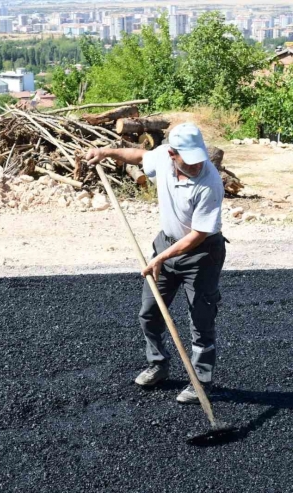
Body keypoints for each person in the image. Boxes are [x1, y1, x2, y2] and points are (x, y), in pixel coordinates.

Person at [86, 123, 226, 404]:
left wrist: (160, 258)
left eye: (199, 160)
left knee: (201, 320)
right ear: (172, 154)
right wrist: (105, 152)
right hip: (166, 244)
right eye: (190, 160)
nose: (197, 166)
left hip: (201, 254)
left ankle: (201, 381)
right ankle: (158, 364)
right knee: (149, 313)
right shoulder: (162, 156)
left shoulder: (210, 183)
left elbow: (198, 235)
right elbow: (139, 157)